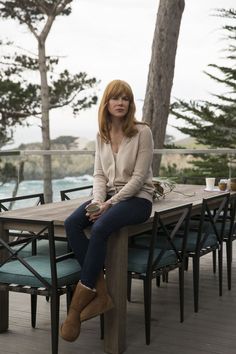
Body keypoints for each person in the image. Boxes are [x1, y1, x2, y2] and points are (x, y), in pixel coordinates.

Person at [60, 79, 155, 342]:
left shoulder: (141, 132)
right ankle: (101, 293)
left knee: (100, 227)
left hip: (137, 199)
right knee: (72, 223)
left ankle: (77, 305)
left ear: (130, 103)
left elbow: (138, 179)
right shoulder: (101, 135)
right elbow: (99, 174)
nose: (121, 103)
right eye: (116, 98)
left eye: (125, 98)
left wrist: (107, 206)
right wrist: (98, 202)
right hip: (109, 198)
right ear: (107, 103)